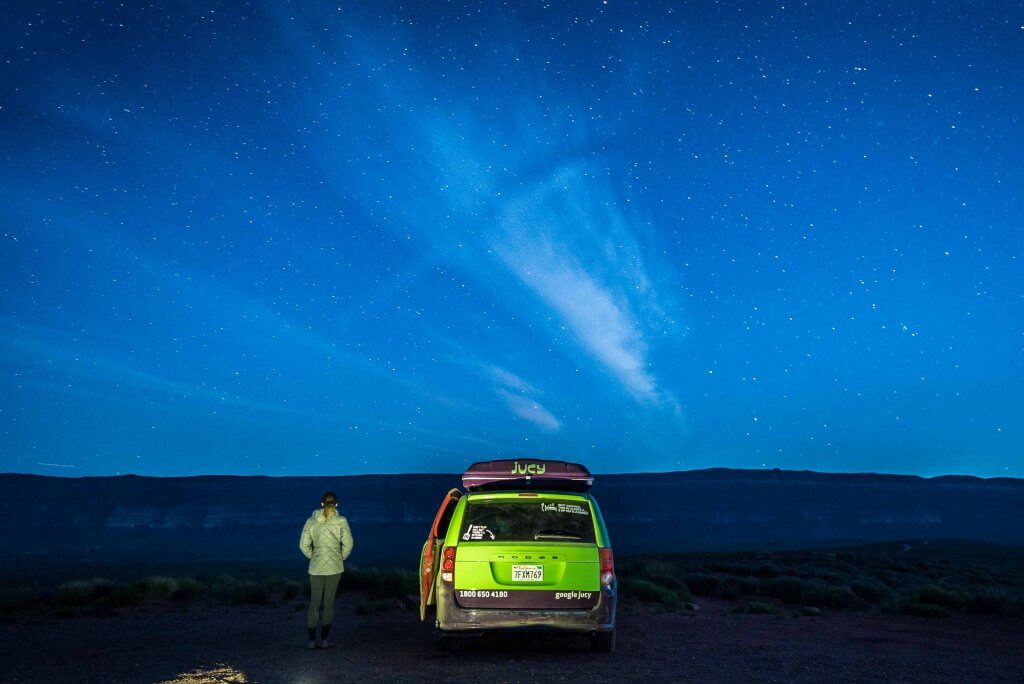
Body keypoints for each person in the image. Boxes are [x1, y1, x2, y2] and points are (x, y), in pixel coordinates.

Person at [299, 491, 354, 649]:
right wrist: (338, 558)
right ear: (336, 504)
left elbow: (303, 545)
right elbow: (349, 544)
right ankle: (324, 641)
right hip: (334, 568)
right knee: (328, 603)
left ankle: (311, 641)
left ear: (322, 503)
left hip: (315, 568)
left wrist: (314, 556)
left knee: (314, 602)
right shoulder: (341, 521)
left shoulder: (311, 521)